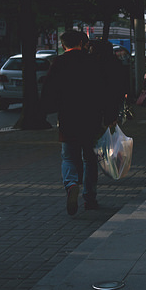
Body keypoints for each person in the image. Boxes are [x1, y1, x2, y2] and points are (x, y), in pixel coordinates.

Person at [41, 30, 117, 215]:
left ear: (64, 45)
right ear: (83, 43)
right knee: (89, 159)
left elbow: (48, 91)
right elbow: (105, 90)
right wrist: (109, 117)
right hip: (91, 118)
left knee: (68, 157)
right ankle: (89, 197)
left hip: (68, 117)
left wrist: (48, 110)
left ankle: (71, 183)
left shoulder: (59, 63)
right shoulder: (93, 62)